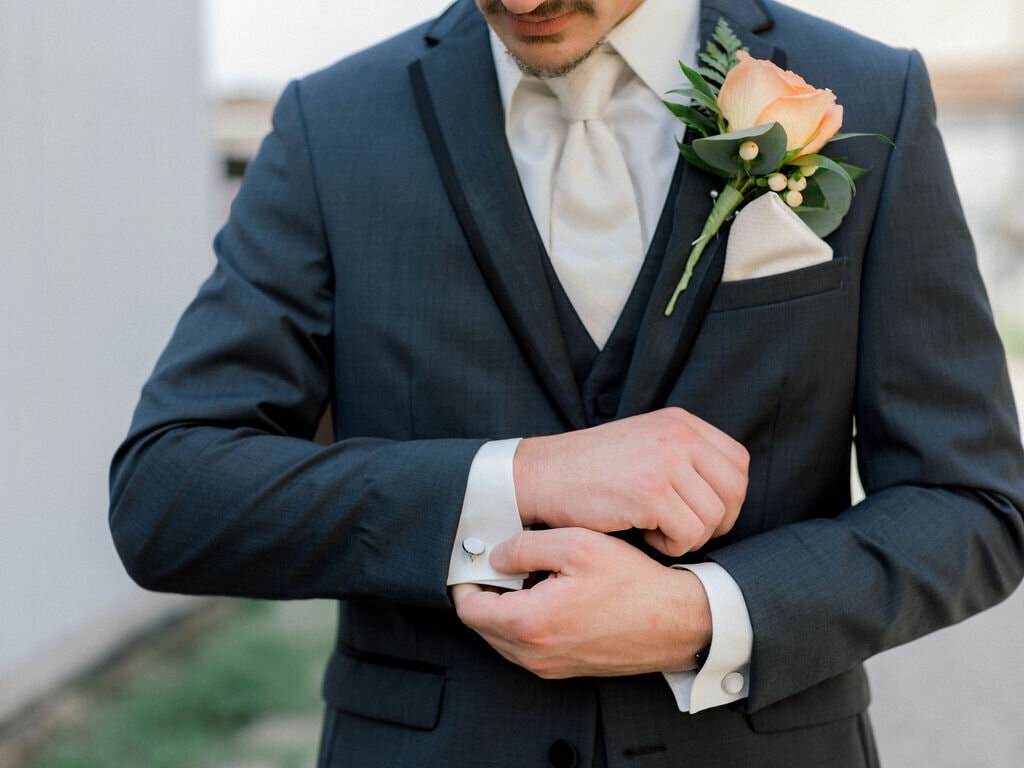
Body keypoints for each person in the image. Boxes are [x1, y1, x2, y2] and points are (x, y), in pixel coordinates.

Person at [109, 0, 1024, 765]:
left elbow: (973, 503)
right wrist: (518, 481)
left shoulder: (870, 94)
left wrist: (703, 613)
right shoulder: (333, 126)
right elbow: (168, 492)